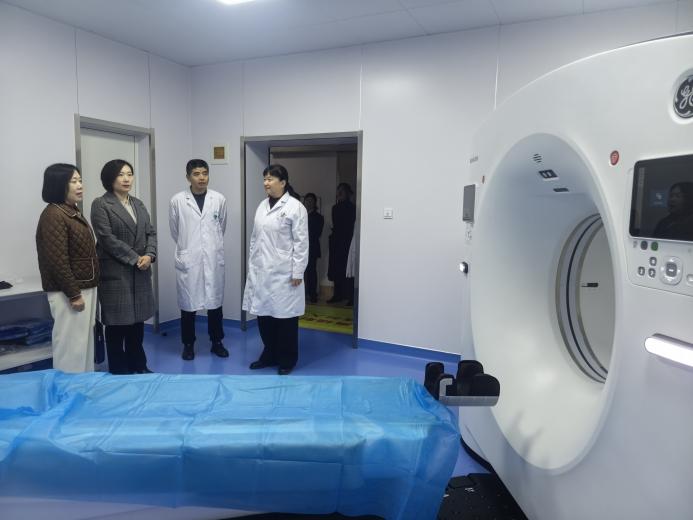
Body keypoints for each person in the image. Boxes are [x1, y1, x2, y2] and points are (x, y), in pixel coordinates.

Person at [90, 159, 156, 374]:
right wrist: (136, 258)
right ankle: (119, 369)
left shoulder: (138, 204)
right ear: (110, 178)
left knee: (137, 323)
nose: (126, 179)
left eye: (129, 174)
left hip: (141, 271)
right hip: (116, 273)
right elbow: (106, 238)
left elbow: (151, 232)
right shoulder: (101, 204)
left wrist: (150, 255)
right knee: (117, 324)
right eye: (121, 174)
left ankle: (139, 364)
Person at [243, 164, 308, 375]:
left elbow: (301, 243)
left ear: (283, 182)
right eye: (264, 179)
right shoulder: (262, 206)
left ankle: (287, 359)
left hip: (284, 273)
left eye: (270, 179)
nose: (266, 183)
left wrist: (298, 271)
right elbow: (255, 238)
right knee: (264, 317)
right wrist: (252, 264)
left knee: (285, 319)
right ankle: (269, 354)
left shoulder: (296, 207)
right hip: (261, 270)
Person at [36, 163, 99, 373]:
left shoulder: (70, 211)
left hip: (84, 286)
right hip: (70, 291)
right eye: (74, 181)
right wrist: (74, 294)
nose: (80, 185)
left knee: (83, 344)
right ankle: (67, 390)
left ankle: (83, 386)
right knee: (71, 347)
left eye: (80, 180)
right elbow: (57, 260)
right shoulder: (53, 215)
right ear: (58, 184)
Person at [169, 159, 229, 361]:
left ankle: (217, 342)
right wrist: (190, 248)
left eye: (205, 173)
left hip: (212, 258)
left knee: (215, 305)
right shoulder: (178, 200)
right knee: (188, 306)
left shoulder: (218, 199)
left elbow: (221, 226)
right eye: (196, 174)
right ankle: (188, 344)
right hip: (190, 258)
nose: (201, 177)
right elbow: (175, 230)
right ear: (188, 177)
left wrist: (208, 246)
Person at [327, 182, 355, 304]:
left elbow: (349, 226)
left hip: (348, 241)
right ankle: (337, 294)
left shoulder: (352, 207)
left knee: (348, 269)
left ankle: (350, 296)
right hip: (337, 241)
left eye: (341, 192)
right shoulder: (335, 207)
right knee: (336, 268)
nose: (339, 194)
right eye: (338, 192)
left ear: (347, 193)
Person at [303, 192, 324, 304]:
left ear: (315, 203)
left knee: (311, 271)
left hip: (312, 248)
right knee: (300, 272)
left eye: (311, 201)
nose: (308, 203)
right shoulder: (299, 215)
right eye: (307, 200)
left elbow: (317, 233)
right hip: (300, 248)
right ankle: (302, 294)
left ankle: (312, 294)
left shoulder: (319, 217)